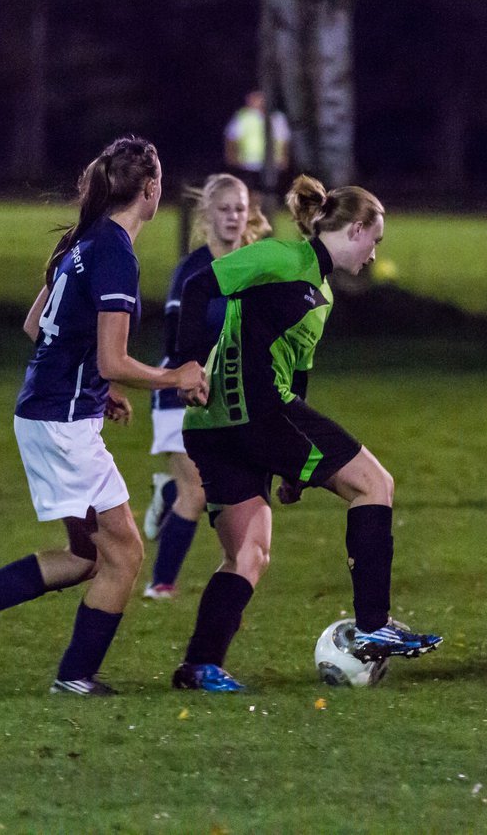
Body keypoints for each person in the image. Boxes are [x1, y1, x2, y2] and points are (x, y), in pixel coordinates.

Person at [0, 136, 208, 696]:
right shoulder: (116, 251)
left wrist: (99, 389)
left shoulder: (82, 241)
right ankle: (75, 677)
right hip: (61, 423)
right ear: (151, 191)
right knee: (125, 554)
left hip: (47, 411)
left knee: (84, 558)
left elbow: (38, 326)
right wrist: (174, 377)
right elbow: (111, 357)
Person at [167, 174, 442, 692]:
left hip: (220, 426)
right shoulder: (282, 258)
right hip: (255, 413)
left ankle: (199, 665)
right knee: (374, 485)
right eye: (375, 241)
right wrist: (186, 362)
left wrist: (294, 471)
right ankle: (373, 625)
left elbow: (297, 372)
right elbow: (198, 283)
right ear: (357, 229)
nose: (374, 255)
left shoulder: (322, 292)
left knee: (249, 553)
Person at [141, 173, 271, 600]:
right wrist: (193, 375)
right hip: (180, 391)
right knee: (197, 492)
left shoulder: (254, 268)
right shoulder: (192, 272)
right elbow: (177, 344)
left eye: (240, 209)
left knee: (217, 488)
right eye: (224, 209)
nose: (234, 217)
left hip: (226, 398)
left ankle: (169, 491)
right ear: (207, 216)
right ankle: (161, 584)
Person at [223, 90, 290, 192]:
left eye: (258, 97)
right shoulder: (242, 117)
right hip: (247, 165)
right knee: (250, 193)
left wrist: (284, 159)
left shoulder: (277, 117)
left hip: (273, 165)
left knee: (270, 193)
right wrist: (231, 157)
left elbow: (284, 140)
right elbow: (230, 138)